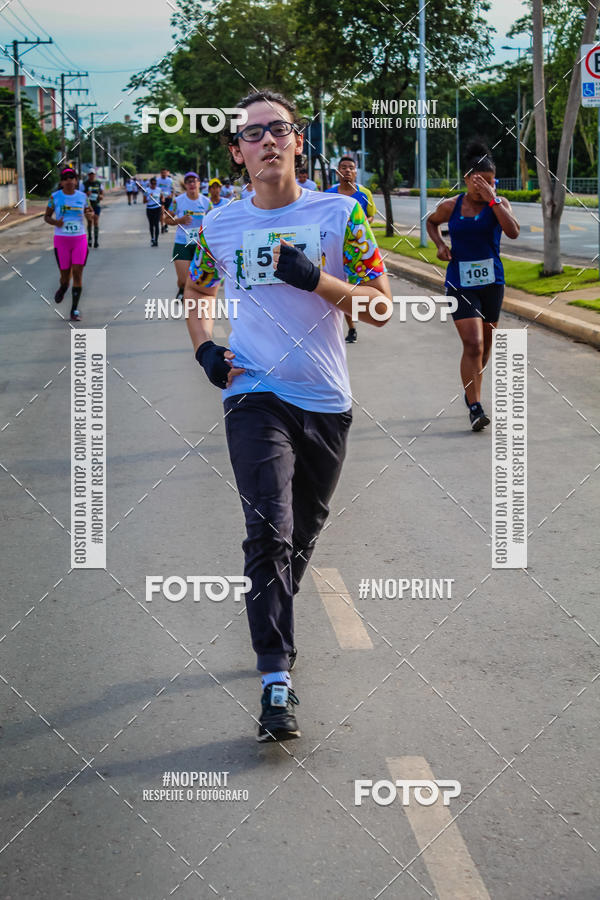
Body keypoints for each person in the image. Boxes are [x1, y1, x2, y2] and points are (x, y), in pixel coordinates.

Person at [184, 89, 391, 743]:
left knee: (298, 538)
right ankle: (276, 681)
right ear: (237, 152)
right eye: (254, 133)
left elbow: (381, 309)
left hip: (326, 401)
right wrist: (207, 349)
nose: (269, 140)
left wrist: (319, 282)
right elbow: (193, 289)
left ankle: (273, 603)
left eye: (281, 129)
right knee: (267, 531)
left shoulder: (343, 214)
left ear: (298, 141)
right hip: (253, 395)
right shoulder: (215, 225)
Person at [426, 139, 520, 431]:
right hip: (459, 282)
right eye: (481, 181)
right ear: (467, 179)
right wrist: (440, 244)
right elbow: (431, 222)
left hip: (492, 282)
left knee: (486, 344)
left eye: (492, 181)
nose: (487, 186)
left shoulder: (498, 204)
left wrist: (493, 199)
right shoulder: (450, 206)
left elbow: (513, 232)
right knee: (473, 342)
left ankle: (472, 392)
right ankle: (476, 407)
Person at [326, 157, 377, 343]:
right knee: (344, 289)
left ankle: (361, 316)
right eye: (343, 167)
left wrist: (359, 225)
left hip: (360, 251)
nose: (347, 171)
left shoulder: (364, 194)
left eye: (351, 168)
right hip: (336, 250)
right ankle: (351, 328)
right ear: (337, 172)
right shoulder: (329, 194)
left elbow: (371, 217)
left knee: (359, 290)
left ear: (356, 172)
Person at [44, 167, 94, 321]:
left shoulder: (83, 197)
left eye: (72, 178)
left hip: (79, 239)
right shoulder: (55, 197)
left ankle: (74, 310)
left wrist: (89, 215)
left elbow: (90, 214)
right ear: (62, 181)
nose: (69, 181)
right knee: (65, 277)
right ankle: (63, 287)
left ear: (76, 181)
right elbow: (46, 217)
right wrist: (55, 222)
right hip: (62, 240)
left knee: (78, 274)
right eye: (66, 178)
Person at [165, 171, 210, 299]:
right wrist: (179, 220)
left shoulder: (206, 202)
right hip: (182, 243)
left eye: (194, 181)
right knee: (184, 280)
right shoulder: (178, 201)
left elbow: (214, 221)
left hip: (200, 245)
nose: (192, 184)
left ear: (199, 183)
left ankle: (192, 302)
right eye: (188, 181)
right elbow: (166, 219)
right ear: (185, 185)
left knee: (198, 280)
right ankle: (181, 287)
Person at [83, 169, 104, 248]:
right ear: (88, 175)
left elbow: (102, 194)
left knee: (96, 221)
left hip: (96, 204)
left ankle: (96, 240)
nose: (91, 176)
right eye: (90, 174)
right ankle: (90, 238)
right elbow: (80, 194)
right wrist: (86, 194)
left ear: (95, 175)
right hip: (87, 205)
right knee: (89, 222)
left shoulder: (98, 183)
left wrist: (101, 196)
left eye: (93, 174)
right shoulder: (84, 184)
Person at [143, 177, 163, 246]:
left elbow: (162, 198)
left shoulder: (159, 190)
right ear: (150, 184)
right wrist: (149, 197)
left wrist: (163, 200)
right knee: (151, 225)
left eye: (155, 183)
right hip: (149, 209)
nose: (154, 185)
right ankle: (152, 238)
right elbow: (144, 201)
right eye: (152, 183)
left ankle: (156, 240)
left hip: (157, 208)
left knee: (156, 224)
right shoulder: (147, 190)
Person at [157, 168, 174, 233]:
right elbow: (156, 189)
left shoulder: (170, 180)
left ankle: (166, 225)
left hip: (168, 198)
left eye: (165, 173)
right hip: (160, 198)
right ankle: (162, 226)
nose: (163, 174)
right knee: (161, 212)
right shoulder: (158, 180)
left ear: (167, 173)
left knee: (167, 213)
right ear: (160, 173)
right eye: (162, 173)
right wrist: (160, 195)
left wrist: (171, 195)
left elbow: (173, 189)